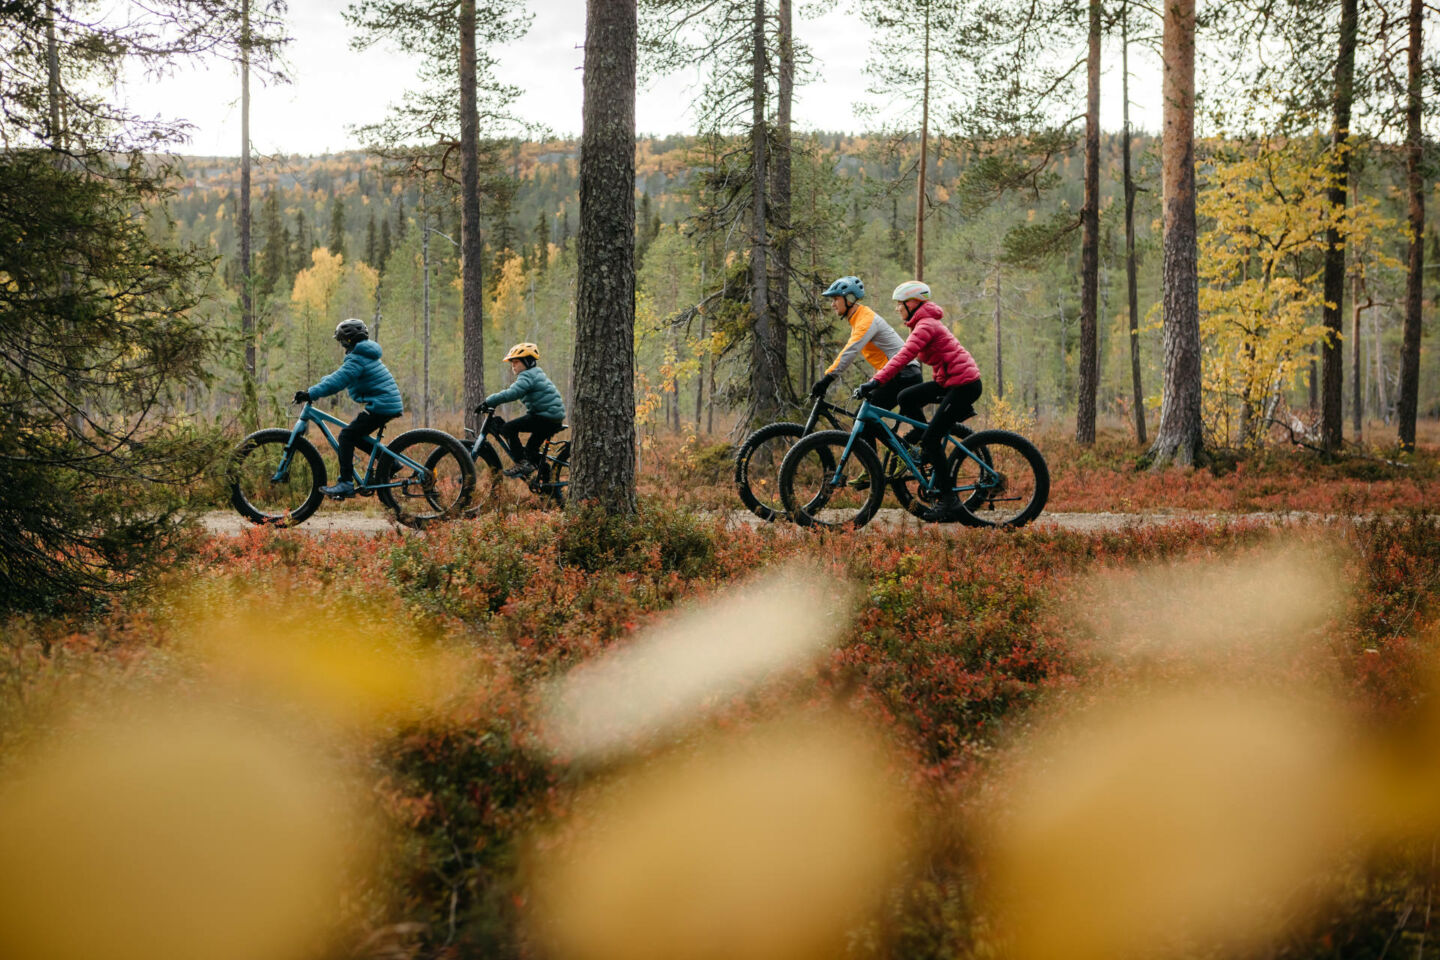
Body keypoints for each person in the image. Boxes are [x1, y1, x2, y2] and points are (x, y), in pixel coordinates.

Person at [858, 281, 982, 522]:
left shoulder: (925, 325)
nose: (897, 309)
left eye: (899, 304)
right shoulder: (922, 324)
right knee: (906, 397)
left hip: (963, 385)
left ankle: (949, 501)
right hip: (950, 382)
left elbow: (903, 357)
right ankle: (923, 444)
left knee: (933, 439)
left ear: (912, 303)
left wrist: (876, 381)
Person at [294, 318, 403, 500]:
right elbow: (340, 376)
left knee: (346, 436)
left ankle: (345, 482)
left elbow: (339, 381)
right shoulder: (363, 355)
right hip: (385, 403)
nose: (341, 345)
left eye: (342, 340)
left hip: (382, 405)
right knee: (355, 435)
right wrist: (320, 384)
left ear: (348, 340)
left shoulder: (358, 358)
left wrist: (311, 393)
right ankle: (390, 463)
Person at [809, 275, 925, 443]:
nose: (832, 304)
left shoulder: (866, 320)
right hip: (897, 375)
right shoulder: (859, 319)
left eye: (835, 299)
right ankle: (875, 464)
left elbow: (850, 351)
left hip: (903, 374)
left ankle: (882, 461)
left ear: (849, 299)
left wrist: (827, 379)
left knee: (863, 419)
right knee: (864, 419)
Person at [481, 342, 566, 478]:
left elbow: (512, 393)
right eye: (511, 363)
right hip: (551, 418)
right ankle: (547, 481)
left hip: (545, 417)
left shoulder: (527, 376)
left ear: (527, 362)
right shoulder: (534, 374)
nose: (513, 365)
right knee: (531, 452)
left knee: (508, 428)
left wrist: (488, 402)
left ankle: (522, 463)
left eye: (516, 362)